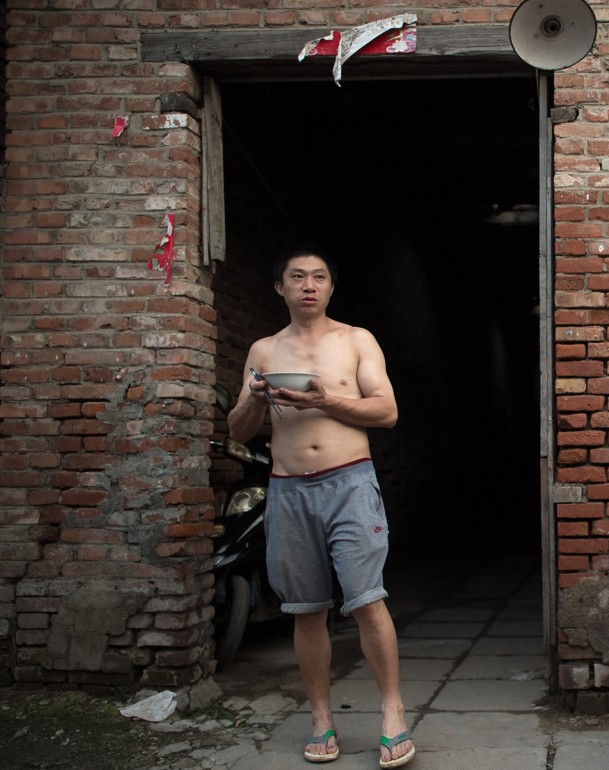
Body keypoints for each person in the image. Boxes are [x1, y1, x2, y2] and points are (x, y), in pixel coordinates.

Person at [227, 246, 414, 768]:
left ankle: (393, 713)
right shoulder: (263, 350)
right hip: (288, 490)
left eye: (319, 277)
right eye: (297, 277)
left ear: (331, 288)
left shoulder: (356, 340)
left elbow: (387, 411)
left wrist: (325, 400)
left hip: (349, 483)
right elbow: (238, 431)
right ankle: (320, 719)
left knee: (366, 600)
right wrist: (253, 399)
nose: (308, 285)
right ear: (279, 288)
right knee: (306, 610)